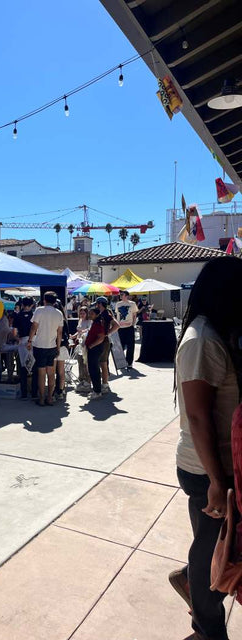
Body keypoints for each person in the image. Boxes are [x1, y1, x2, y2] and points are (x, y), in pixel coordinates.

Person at [172, 256, 242, 640]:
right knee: (209, 551)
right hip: (206, 469)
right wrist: (217, 479)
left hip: (220, 462)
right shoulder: (201, 339)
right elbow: (198, 417)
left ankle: (189, 581)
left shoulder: (219, 332)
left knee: (215, 543)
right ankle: (207, 629)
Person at [27, 291, 63, 406]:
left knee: (41, 373)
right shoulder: (59, 313)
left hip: (39, 345)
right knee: (51, 373)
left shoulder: (39, 310)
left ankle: (42, 398)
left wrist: (29, 341)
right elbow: (59, 332)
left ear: (44, 300)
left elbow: (33, 328)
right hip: (52, 346)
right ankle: (50, 398)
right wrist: (58, 347)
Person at [12, 297, 37, 399]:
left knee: (23, 367)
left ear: (22, 305)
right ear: (32, 305)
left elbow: (14, 332)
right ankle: (34, 392)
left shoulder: (18, 316)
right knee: (34, 367)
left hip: (22, 342)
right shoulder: (34, 315)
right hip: (33, 341)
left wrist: (18, 339)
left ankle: (24, 393)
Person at [96, 296, 120, 394]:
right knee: (101, 362)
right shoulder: (102, 313)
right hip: (101, 340)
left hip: (104, 341)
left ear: (100, 304)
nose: (96, 306)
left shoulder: (106, 314)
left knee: (103, 363)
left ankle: (105, 383)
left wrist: (107, 333)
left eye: (97, 304)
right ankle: (103, 382)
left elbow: (117, 325)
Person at [85, 307, 106, 400]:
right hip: (94, 348)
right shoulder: (95, 322)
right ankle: (96, 389)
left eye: (91, 313)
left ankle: (97, 391)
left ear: (97, 314)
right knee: (93, 369)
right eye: (89, 313)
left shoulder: (98, 323)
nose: (89, 315)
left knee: (94, 370)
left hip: (95, 349)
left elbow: (101, 337)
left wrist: (91, 345)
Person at [70, 305, 92, 393]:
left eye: (83, 313)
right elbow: (78, 331)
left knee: (85, 362)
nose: (82, 315)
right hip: (79, 343)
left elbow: (89, 329)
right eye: (81, 313)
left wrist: (82, 331)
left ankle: (87, 380)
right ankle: (81, 378)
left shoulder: (89, 321)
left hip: (85, 343)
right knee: (80, 361)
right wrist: (74, 335)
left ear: (87, 313)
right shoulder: (80, 320)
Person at [115, 290, 138, 370]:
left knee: (130, 346)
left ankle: (129, 363)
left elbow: (134, 315)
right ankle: (121, 362)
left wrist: (133, 324)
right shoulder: (118, 304)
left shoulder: (132, 304)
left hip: (129, 327)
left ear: (126, 295)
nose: (120, 296)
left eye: (122, 294)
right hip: (120, 328)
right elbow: (117, 315)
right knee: (120, 346)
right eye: (120, 294)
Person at [54, 300, 70, 400]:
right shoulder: (64, 319)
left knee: (52, 371)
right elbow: (66, 334)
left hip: (54, 345)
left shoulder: (53, 319)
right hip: (63, 346)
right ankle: (61, 390)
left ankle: (55, 392)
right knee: (61, 370)